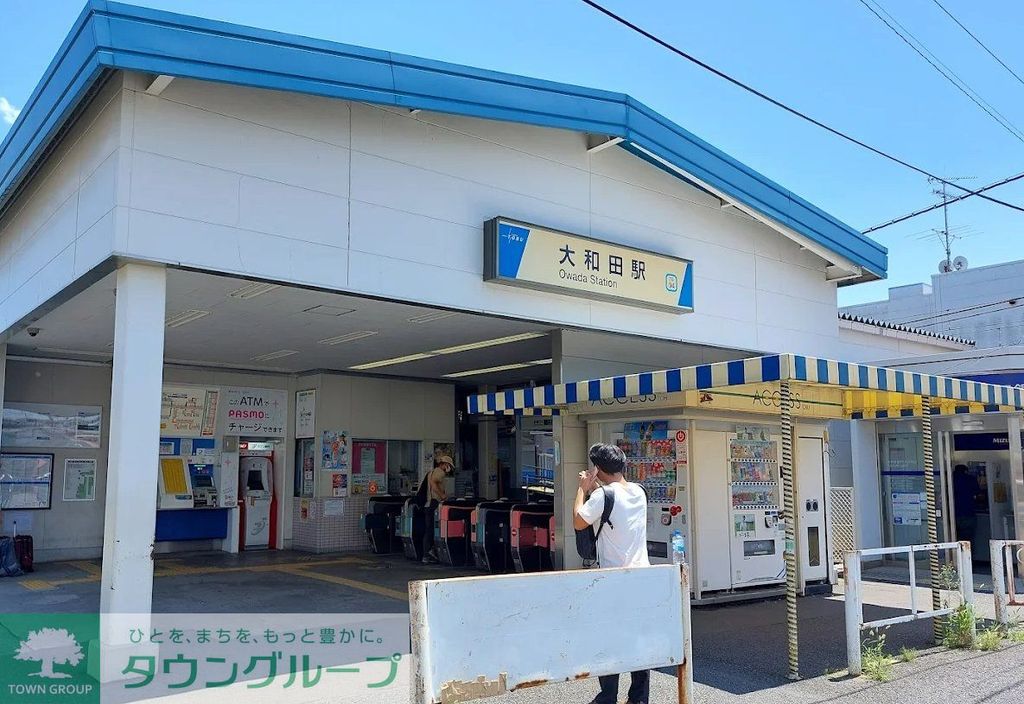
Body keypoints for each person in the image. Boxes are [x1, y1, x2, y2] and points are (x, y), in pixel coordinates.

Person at [574, 442, 650, 704]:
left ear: (597, 468)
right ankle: (639, 698)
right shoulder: (639, 492)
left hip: (613, 580)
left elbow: (578, 519)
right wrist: (596, 489)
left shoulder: (599, 496)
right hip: (641, 578)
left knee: (608, 639)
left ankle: (607, 696)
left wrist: (582, 489)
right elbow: (612, 504)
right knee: (639, 639)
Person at [416, 456, 454, 564]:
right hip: (433, 503)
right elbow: (434, 484)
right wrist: (443, 496)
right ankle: (429, 553)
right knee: (432, 529)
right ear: (445, 464)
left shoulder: (431, 472)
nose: (449, 468)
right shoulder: (439, 472)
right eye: (449, 466)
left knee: (429, 530)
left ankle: (427, 555)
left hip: (428, 504)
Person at [952, 464, 977, 544]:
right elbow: (978, 493)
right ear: (965, 471)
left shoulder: (951, 479)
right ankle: (968, 555)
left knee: (954, 538)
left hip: (954, 513)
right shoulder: (970, 479)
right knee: (968, 540)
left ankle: (957, 555)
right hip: (969, 512)